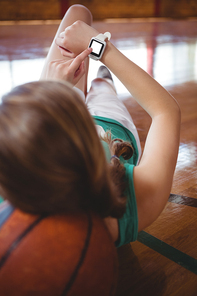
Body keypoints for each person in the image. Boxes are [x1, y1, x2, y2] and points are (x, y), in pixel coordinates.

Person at [0, 5, 181, 248]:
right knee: (101, 87)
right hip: (112, 124)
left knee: (78, 12)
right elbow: (166, 110)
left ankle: (95, 85)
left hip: (60, 116)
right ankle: (103, 82)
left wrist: (54, 92)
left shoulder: (12, 185)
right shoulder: (130, 197)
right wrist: (99, 46)